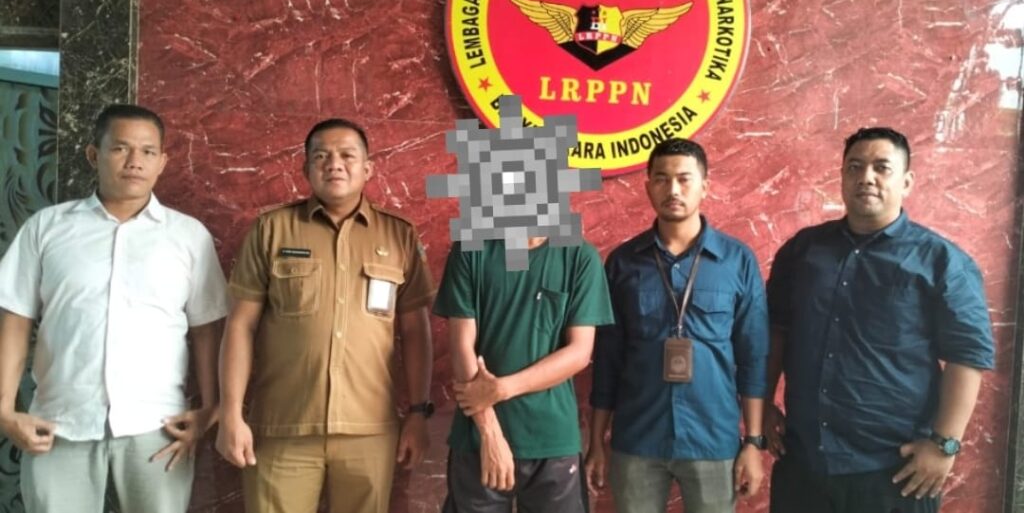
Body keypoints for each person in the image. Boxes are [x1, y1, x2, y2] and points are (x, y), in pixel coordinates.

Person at [0, 103, 228, 513]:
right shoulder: (48, 228)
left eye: (147, 151)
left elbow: (206, 328)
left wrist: (210, 407)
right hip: (58, 422)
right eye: (121, 148)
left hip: (159, 425)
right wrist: (3, 409)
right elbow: (15, 318)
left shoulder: (188, 236)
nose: (135, 161)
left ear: (162, 162)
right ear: (94, 154)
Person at [765, 126, 996, 513]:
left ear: (906, 182)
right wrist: (763, 406)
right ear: (842, 177)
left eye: (881, 168)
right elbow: (775, 331)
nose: (866, 177)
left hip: (896, 473)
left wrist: (945, 443)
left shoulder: (942, 262)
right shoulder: (803, 250)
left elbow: (967, 356)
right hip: (804, 463)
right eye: (854, 167)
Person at [216, 118, 434, 513]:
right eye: (321, 156)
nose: (334, 164)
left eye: (347, 155)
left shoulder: (398, 235)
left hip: (369, 430)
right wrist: (231, 413)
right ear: (305, 168)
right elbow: (241, 325)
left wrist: (418, 413)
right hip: (283, 426)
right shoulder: (272, 230)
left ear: (368, 168)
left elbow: (416, 331)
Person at [585, 138, 769, 513]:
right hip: (637, 438)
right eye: (661, 179)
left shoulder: (737, 261)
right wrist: (596, 442)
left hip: (713, 438)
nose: (673, 189)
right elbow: (607, 360)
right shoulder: (623, 263)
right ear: (648, 186)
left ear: (705, 186)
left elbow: (754, 356)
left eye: (684, 179)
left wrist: (753, 441)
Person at [434, 228, 614, 512]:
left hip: (552, 441)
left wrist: (502, 388)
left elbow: (579, 353)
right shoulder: (471, 250)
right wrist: (490, 435)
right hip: (477, 441)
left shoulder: (580, 256)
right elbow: (461, 348)